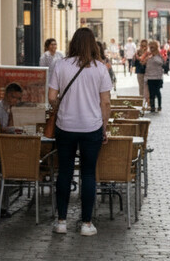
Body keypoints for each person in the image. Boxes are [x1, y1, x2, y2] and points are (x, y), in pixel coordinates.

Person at [48, 28, 111, 237]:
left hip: (65, 126)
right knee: (88, 173)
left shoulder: (61, 64)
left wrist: (63, 103)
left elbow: (51, 96)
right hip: (91, 127)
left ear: (73, 43)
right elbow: (106, 102)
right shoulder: (100, 69)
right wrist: (104, 126)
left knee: (64, 172)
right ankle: (86, 223)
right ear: (93, 44)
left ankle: (61, 221)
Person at [144, 40, 167, 112]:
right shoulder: (148, 56)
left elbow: (161, 63)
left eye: (152, 47)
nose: (151, 49)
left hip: (157, 77)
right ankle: (152, 107)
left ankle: (159, 106)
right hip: (150, 77)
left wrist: (153, 57)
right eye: (150, 47)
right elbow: (144, 64)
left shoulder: (159, 55)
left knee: (157, 91)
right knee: (151, 93)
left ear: (156, 48)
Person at [134, 39, 149, 105]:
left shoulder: (149, 53)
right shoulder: (137, 52)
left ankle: (148, 101)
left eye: (144, 45)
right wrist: (136, 58)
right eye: (142, 45)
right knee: (141, 86)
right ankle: (141, 101)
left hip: (147, 71)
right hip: (140, 71)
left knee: (147, 86)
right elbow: (134, 63)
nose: (143, 47)